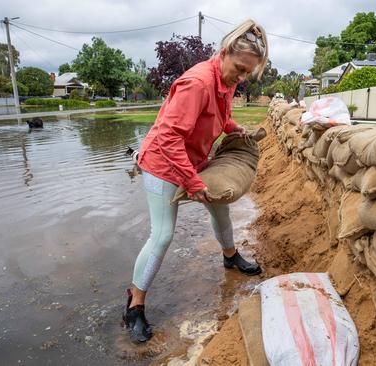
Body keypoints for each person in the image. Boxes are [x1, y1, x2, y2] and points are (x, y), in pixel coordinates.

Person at [122, 19, 269, 344]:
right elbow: (170, 137)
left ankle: (230, 256)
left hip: (194, 160)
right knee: (162, 236)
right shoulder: (198, 82)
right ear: (225, 52)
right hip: (162, 163)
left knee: (221, 210)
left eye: (248, 73)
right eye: (240, 69)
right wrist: (192, 182)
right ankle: (134, 304)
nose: (241, 78)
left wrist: (232, 127)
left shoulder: (226, 81)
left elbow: (217, 113)